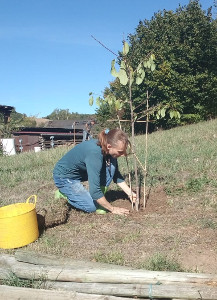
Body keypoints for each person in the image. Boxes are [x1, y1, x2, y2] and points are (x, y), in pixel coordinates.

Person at [53, 128, 136, 216]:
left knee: (111, 165)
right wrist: (112, 209)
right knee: (91, 207)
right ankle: (63, 193)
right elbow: (94, 191)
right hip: (64, 177)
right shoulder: (94, 154)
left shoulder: (107, 149)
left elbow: (115, 174)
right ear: (109, 146)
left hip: (81, 172)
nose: (123, 154)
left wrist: (129, 192)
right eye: (120, 152)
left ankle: (101, 201)